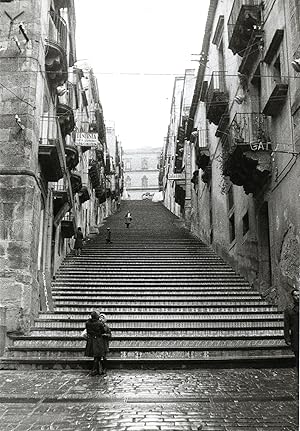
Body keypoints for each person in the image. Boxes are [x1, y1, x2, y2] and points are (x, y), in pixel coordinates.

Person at [84, 311, 106, 376]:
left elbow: (87, 330)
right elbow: (103, 331)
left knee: (96, 355)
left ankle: (97, 369)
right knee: (97, 355)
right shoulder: (99, 323)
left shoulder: (87, 323)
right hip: (98, 340)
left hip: (91, 340)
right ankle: (95, 369)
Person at [284, 287, 299, 371]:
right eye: (296, 295)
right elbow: (286, 325)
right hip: (296, 337)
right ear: (292, 297)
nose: (298, 297)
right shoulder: (289, 309)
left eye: (299, 295)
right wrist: (287, 338)